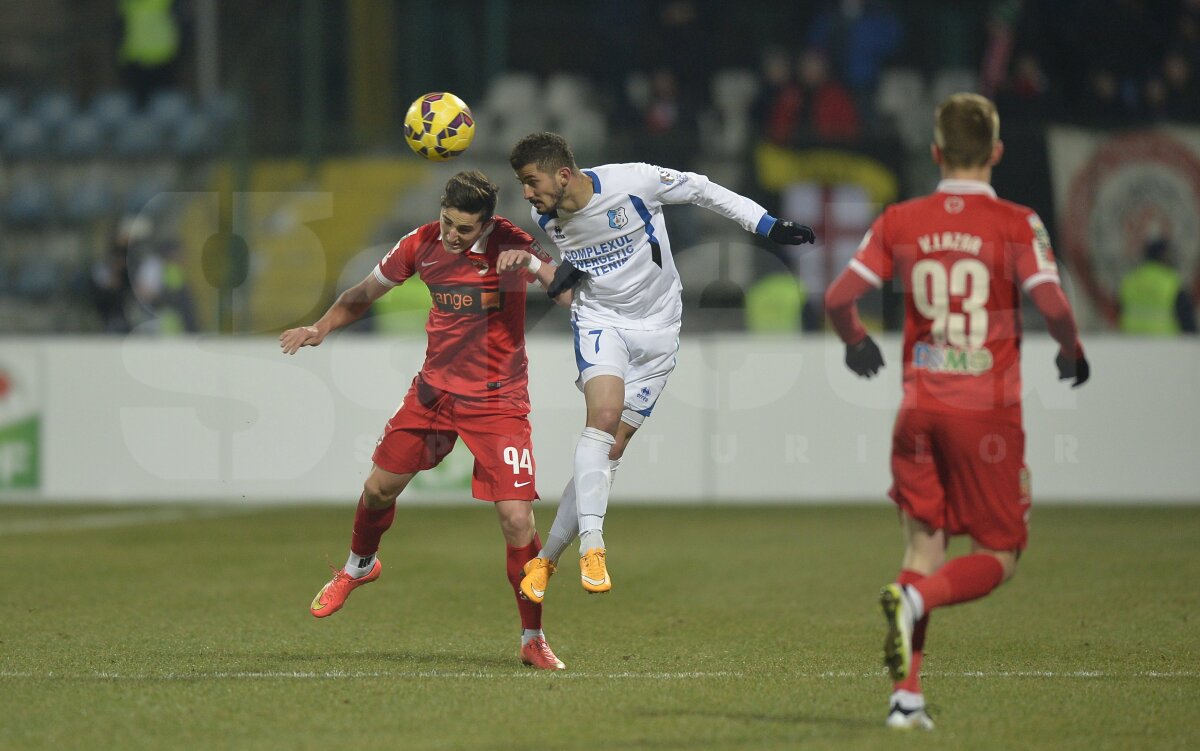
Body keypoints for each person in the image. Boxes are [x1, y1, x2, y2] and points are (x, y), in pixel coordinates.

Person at [824, 93, 1091, 730]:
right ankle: (913, 602)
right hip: (986, 414)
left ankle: (905, 699)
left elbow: (839, 296)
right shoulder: (1016, 223)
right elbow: (1053, 305)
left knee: (924, 546)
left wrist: (857, 342)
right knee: (1000, 553)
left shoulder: (902, 220)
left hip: (919, 409)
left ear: (936, 151)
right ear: (996, 152)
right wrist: (1071, 352)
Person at [508, 132, 815, 603]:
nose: (527, 194)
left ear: (563, 175)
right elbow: (585, 258)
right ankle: (593, 545)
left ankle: (546, 559)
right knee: (603, 421)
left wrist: (767, 224)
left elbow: (703, 189)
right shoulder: (544, 214)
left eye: (531, 181)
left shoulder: (635, 181)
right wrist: (566, 267)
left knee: (612, 450)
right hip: (599, 321)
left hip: (659, 327)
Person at [280, 171, 570, 670]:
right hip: (433, 394)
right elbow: (364, 293)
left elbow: (567, 292)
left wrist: (532, 265)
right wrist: (319, 326)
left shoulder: (511, 242)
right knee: (376, 490)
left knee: (517, 519)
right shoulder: (421, 242)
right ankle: (358, 567)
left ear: (486, 223)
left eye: (464, 228)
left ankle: (532, 637)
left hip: (497, 403)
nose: (453, 235)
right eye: (448, 223)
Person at [1118, 238, 1197, 335]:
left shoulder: (1130, 281)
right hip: (1164, 345)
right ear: (1163, 256)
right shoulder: (1171, 284)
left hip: (1130, 344)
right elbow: (1188, 324)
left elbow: (1119, 312)